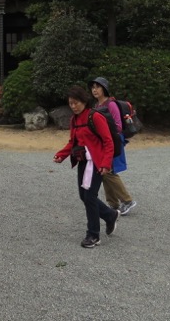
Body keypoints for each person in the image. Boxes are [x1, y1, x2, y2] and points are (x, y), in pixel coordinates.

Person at [54, 85, 120, 248]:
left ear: (84, 102)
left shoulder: (95, 117)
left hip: (96, 162)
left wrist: (105, 163)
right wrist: (61, 155)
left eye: (76, 103)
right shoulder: (74, 120)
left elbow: (108, 141)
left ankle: (93, 235)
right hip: (83, 161)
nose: (73, 106)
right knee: (84, 196)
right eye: (70, 103)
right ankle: (110, 215)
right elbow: (73, 142)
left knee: (89, 197)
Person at [91, 77, 137, 216]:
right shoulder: (97, 106)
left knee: (108, 171)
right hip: (103, 141)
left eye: (98, 87)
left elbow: (118, 125)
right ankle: (113, 204)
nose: (95, 90)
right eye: (93, 87)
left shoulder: (111, 104)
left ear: (104, 88)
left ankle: (127, 200)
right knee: (104, 171)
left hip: (112, 141)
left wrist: (103, 133)